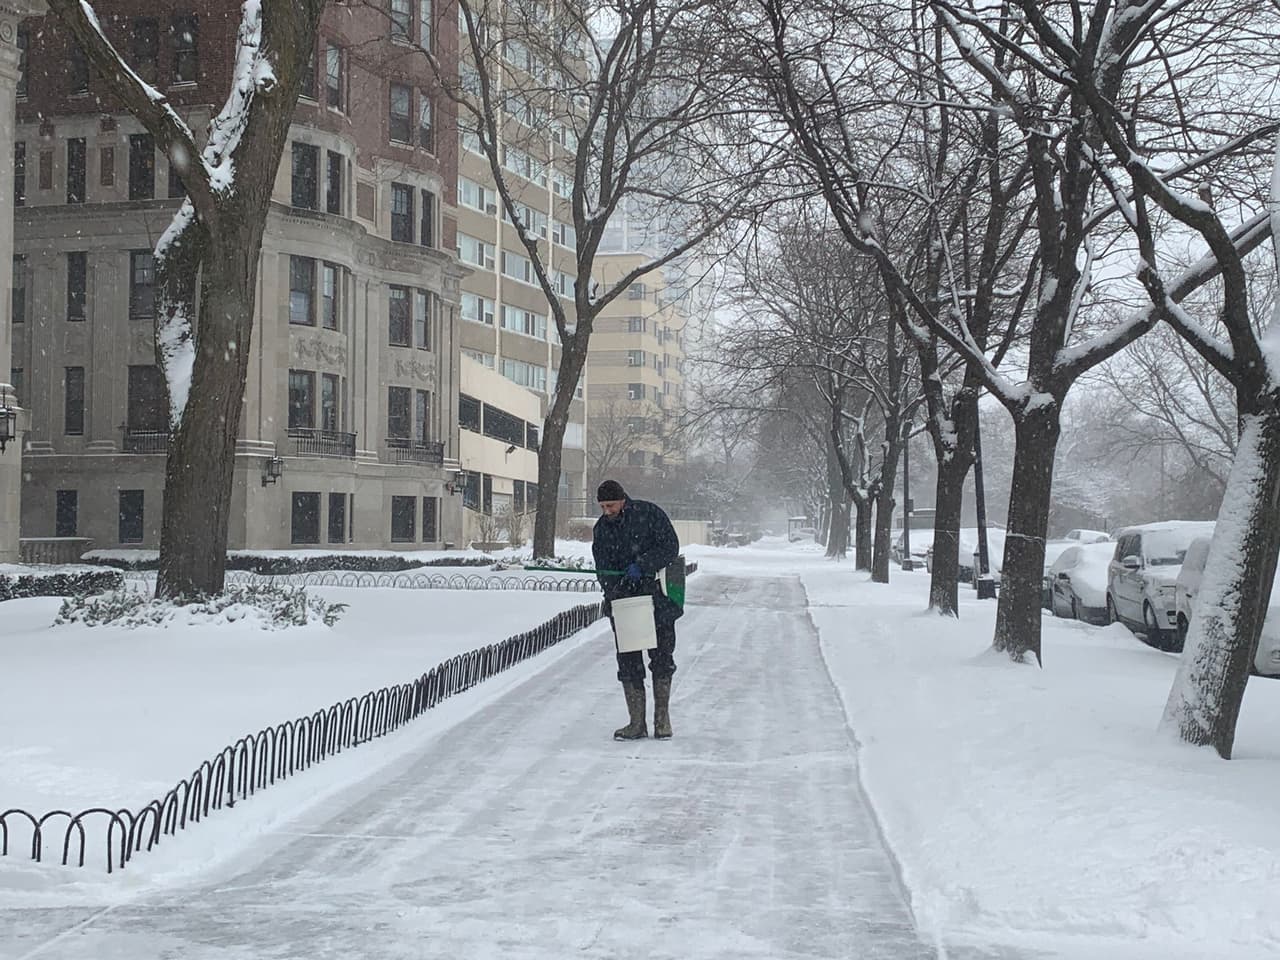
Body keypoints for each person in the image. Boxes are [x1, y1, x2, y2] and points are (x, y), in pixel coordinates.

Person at [592, 479, 683, 740]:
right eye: (602, 507)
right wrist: (614, 587)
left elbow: (670, 547)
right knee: (629, 661)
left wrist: (643, 566)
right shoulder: (602, 529)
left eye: (610, 505)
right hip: (624, 603)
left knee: (662, 658)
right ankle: (636, 723)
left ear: (623, 499)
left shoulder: (649, 514)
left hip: (658, 599)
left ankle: (662, 720)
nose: (607, 511)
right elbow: (602, 566)